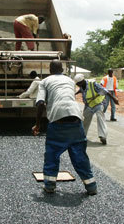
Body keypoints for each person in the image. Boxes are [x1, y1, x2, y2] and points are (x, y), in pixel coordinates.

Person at [32, 60, 97, 195]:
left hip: (58, 120)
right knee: (80, 155)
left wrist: (38, 125)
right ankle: (91, 187)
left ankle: (49, 186)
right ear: (62, 69)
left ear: (50, 70)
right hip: (76, 118)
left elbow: (40, 103)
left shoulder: (44, 82)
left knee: (52, 153)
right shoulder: (69, 81)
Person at [74, 74, 118, 145]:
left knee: (100, 117)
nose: (78, 85)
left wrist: (114, 99)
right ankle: (82, 135)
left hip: (98, 103)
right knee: (85, 120)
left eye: (78, 84)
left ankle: (103, 136)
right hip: (89, 105)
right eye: (77, 84)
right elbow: (81, 90)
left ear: (82, 81)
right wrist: (74, 94)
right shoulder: (82, 86)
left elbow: (105, 90)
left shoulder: (93, 84)